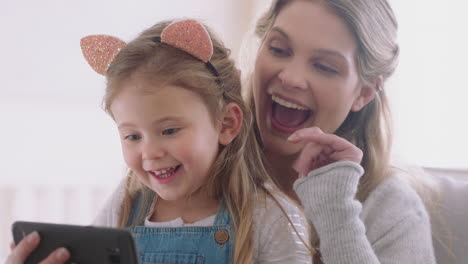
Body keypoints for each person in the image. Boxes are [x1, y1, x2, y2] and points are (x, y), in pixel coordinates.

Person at [5, 19, 312, 264]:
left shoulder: (268, 218)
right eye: (132, 136)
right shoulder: (125, 205)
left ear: (226, 124)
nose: (150, 152)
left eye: (169, 131)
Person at [239, 0, 436, 263]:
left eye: (324, 67)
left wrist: (335, 212)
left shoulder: (392, 210)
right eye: (278, 49)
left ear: (364, 93)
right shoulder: (192, 166)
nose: (291, 77)